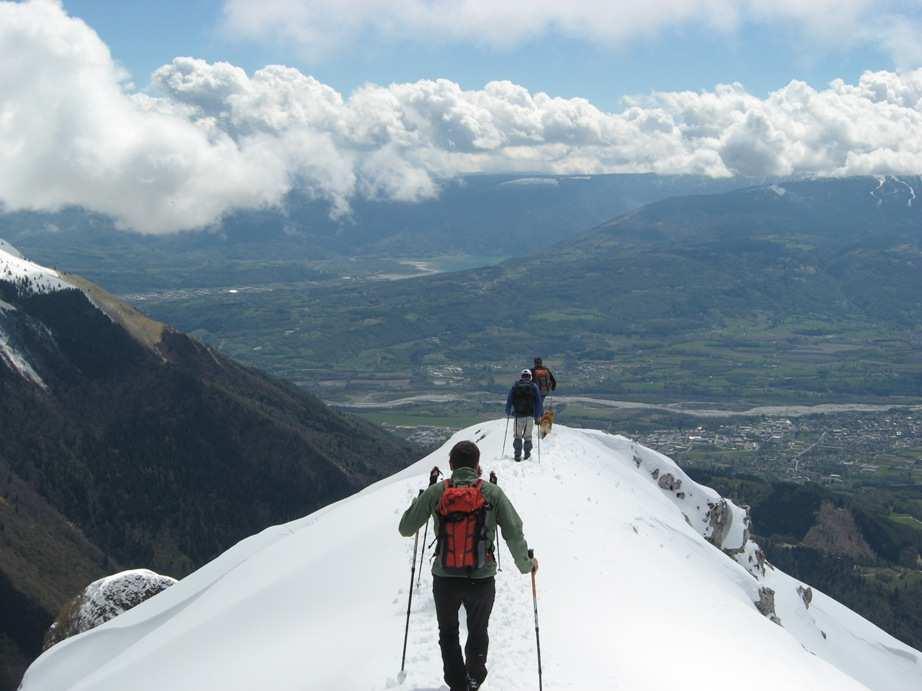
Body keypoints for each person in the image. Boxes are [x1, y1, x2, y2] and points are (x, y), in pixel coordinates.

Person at [399, 441, 538, 691]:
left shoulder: (438, 492)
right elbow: (513, 532)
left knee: (448, 633)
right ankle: (474, 679)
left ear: (451, 465)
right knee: (478, 630)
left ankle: (457, 684)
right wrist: (527, 565)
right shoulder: (492, 493)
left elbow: (406, 528)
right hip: (481, 578)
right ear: (477, 466)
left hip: (445, 578)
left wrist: (420, 499)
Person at [505, 369, 543, 461]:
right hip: (530, 416)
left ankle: (517, 455)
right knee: (528, 437)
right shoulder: (534, 386)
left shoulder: (516, 386)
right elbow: (538, 402)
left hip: (518, 416)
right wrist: (538, 415)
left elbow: (510, 399)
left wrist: (508, 411)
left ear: (521, 376)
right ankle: (527, 455)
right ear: (530, 377)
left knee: (517, 436)